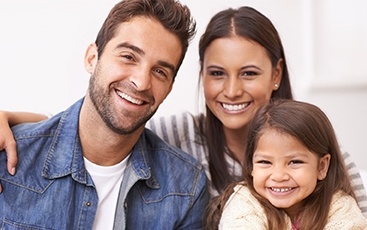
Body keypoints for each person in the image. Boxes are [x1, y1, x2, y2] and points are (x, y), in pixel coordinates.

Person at [1, 4, 367, 214]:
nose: (232, 90)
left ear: (276, 75)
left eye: (250, 73)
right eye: (217, 74)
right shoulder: (180, 136)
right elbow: (100, 128)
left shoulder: (318, 151)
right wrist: (16, 122)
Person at [0, 0, 209, 229]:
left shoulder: (186, 188)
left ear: (169, 88)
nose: (140, 82)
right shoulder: (9, 158)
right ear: (92, 58)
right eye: (128, 57)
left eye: (160, 71)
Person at [206, 99, 367, 230]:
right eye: (265, 162)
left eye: (294, 162)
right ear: (251, 166)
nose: (278, 176)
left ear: (322, 167)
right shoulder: (244, 202)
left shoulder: (339, 206)